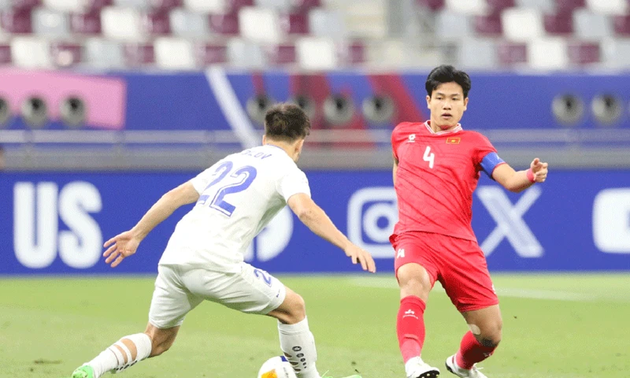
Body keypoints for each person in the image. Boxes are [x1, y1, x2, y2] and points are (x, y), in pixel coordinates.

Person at [68, 103, 376, 378]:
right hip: (214, 262)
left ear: (265, 137)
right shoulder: (287, 168)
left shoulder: (234, 160)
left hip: (175, 255)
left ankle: (91, 369)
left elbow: (174, 197)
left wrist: (137, 234)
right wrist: (347, 244)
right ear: (300, 143)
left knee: (156, 339)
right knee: (293, 308)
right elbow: (306, 210)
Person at [390, 65, 548, 378]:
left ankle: (461, 365)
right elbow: (397, 167)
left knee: (490, 334)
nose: (446, 104)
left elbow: (511, 180)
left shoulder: (475, 144)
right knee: (413, 283)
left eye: (454, 98)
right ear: (428, 101)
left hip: (459, 245)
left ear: (465, 104)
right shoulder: (402, 135)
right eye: (440, 97)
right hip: (415, 237)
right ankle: (413, 364)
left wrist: (531, 175)